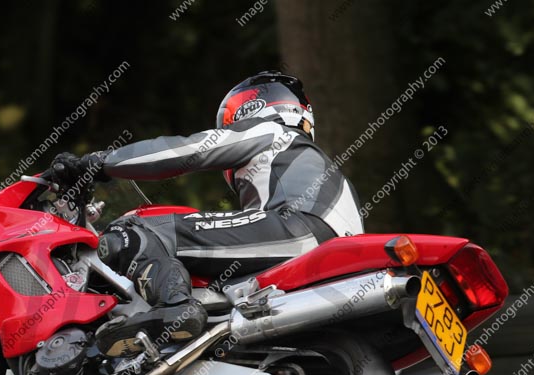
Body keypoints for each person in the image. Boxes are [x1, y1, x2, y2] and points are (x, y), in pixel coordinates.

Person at [44, 71, 364, 357]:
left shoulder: (270, 132)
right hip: (334, 263)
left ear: (253, 107)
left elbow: (185, 151)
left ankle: (174, 308)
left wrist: (99, 163)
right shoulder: (324, 173)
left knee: (135, 229)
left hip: (299, 230)